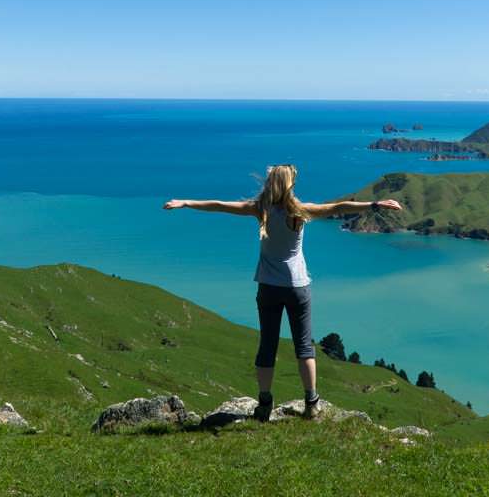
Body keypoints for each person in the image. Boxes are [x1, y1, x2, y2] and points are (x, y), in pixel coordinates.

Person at [163, 164, 402, 420]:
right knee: (304, 347)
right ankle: (312, 403)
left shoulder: (260, 209)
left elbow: (220, 205)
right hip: (298, 287)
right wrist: (375, 204)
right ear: (291, 185)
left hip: (268, 287)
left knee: (267, 346)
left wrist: (186, 202)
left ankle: (264, 403)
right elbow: (338, 208)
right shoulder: (299, 210)